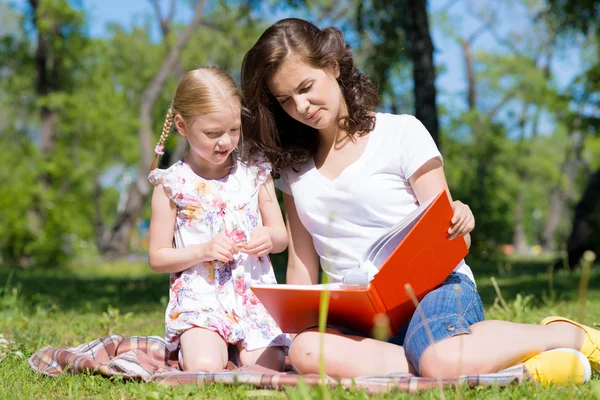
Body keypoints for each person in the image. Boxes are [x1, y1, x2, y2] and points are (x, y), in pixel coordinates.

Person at [240, 18, 599, 384]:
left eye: (306, 87)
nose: (301, 106)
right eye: (286, 100)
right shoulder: (295, 169)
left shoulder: (401, 132)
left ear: (331, 66)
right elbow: (302, 262)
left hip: (435, 291)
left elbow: (456, 240)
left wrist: (460, 221)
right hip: (359, 312)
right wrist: (293, 329)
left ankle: (562, 335)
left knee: (439, 362)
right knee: (305, 350)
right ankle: (456, 358)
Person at [147, 66, 289, 372]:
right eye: (213, 133)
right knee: (206, 366)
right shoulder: (172, 185)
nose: (226, 141)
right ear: (182, 127)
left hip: (252, 296)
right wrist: (203, 250)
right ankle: (200, 348)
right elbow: (157, 258)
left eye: (234, 130)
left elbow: (281, 237)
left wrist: (269, 236)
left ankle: (239, 352)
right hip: (201, 298)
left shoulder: (255, 174)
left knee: (269, 366)